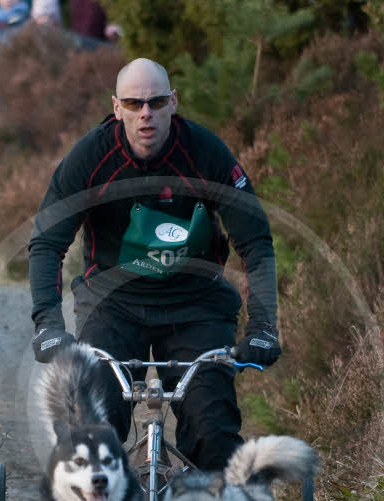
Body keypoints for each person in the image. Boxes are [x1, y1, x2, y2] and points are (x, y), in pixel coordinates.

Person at [28, 58, 281, 471]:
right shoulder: (89, 159)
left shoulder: (206, 154)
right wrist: (48, 326)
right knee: (93, 427)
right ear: (117, 108)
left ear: (173, 103)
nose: (145, 113)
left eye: (156, 102)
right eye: (133, 103)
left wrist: (264, 327)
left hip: (196, 305)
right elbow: (46, 243)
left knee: (212, 430)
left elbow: (254, 239)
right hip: (112, 304)